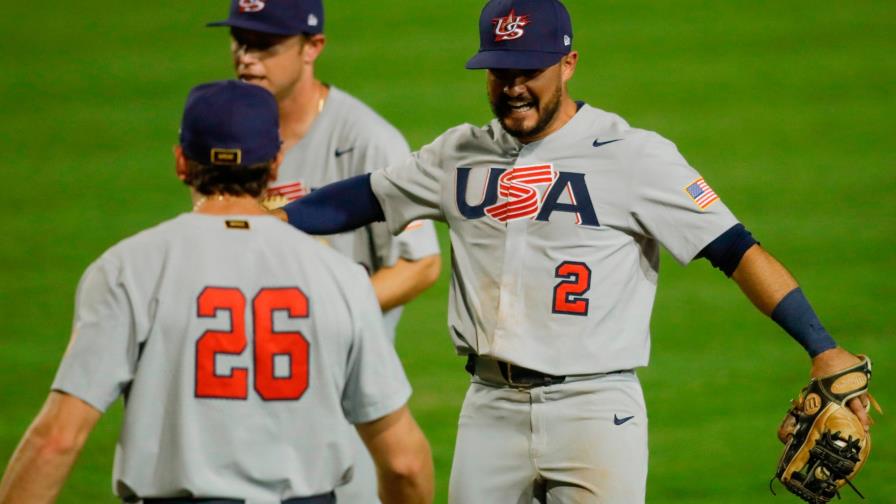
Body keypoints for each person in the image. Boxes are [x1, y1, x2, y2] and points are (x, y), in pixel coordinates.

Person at [274, 0, 876, 502]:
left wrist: (822, 347)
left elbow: (736, 250)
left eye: (528, 71)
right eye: (497, 71)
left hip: (596, 410)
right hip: (489, 407)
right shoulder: (456, 155)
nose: (512, 88)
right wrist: (255, 220)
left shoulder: (633, 155)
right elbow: (363, 198)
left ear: (568, 64)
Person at [0, 81, 434, 504]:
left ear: (181, 163)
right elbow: (403, 464)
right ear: (276, 163)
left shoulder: (127, 269)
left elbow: (57, 440)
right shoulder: (341, 278)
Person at [205, 4, 441, 500]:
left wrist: (314, 315)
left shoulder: (368, 141)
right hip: (238, 393)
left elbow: (422, 264)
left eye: (265, 45)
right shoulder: (224, 137)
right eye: (240, 41)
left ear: (313, 48)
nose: (247, 59)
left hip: (339, 396)